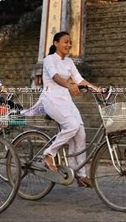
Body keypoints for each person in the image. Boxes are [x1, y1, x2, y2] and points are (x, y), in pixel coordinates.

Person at [36, 31, 101, 188]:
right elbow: (55, 77)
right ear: (56, 43)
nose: (68, 45)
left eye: (70, 42)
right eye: (65, 42)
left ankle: (79, 174)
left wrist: (97, 89)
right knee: (72, 126)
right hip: (50, 99)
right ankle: (49, 154)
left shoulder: (69, 62)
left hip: (65, 100)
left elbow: (80, 80)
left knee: (81, 133)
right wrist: (69, 85)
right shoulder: (49, 60)